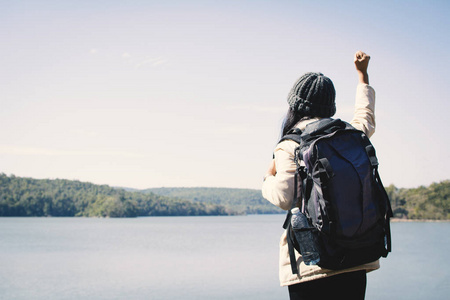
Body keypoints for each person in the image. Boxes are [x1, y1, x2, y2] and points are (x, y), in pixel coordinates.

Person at [262, 51, 378, 300]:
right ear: (330, 106)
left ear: (294, 105)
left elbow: (284, 197)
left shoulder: (291, 144)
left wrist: (266, 179)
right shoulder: (351, 135)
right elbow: (365, 117)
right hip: (356, 257)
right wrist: (362, 76)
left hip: (312, 263)